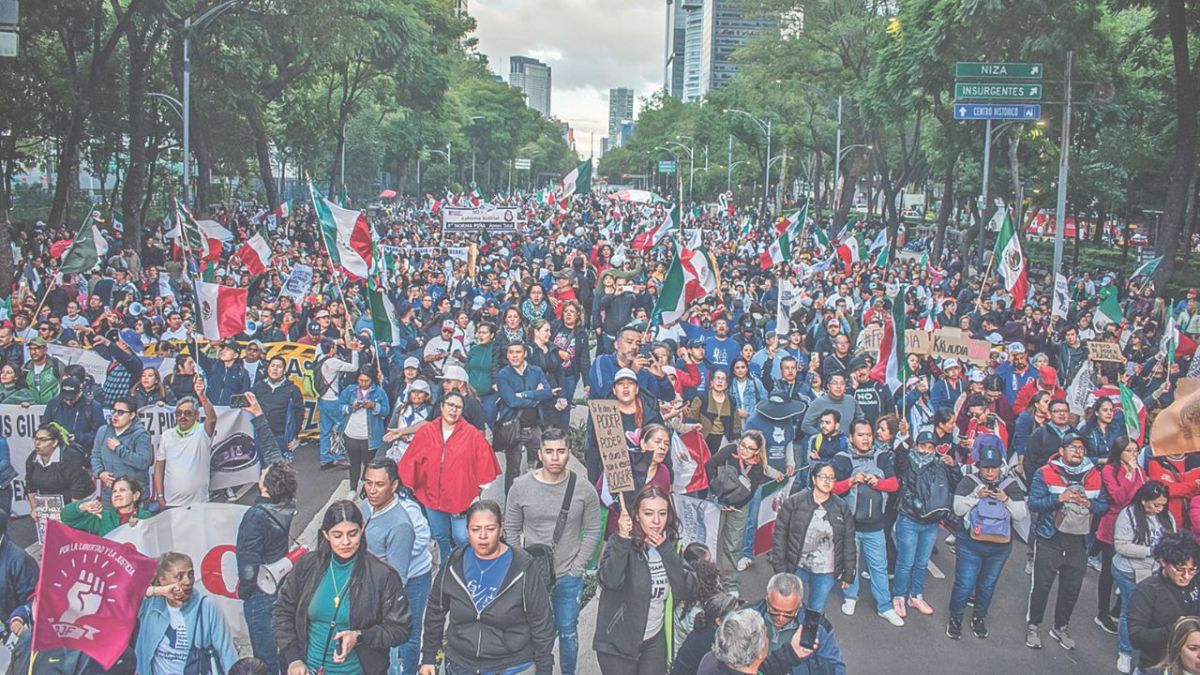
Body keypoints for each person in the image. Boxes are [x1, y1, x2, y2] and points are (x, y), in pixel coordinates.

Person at [505, 428, 603, 675]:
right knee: (536, 631)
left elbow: (593, 530)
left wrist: (577, 567)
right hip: (533, 574)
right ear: (540, 453)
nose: (555, 457)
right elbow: (511, 529)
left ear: (569, 453)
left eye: (561, 451)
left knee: (568, 630)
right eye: (549, 452)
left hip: (568, 575)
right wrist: (521, 564)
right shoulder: (520, 487)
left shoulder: (584, 489)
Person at [273, 501, 412, 675]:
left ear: (362, 529)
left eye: (352, 534)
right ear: (326, 534)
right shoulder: (308, 565)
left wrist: (360, 636)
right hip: (308, 668)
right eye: (337, 535)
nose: (345, 542)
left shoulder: (382, 575)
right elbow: (283, 610)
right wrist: (293, 659)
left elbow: (400, 629)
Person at [419, 500, 556, 675]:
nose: (482, 536)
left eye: (490, 529)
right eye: (476, 529)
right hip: (460, 663)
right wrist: (429, 657)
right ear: (467, 530)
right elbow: (435, 610)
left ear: (501, 528)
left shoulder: (523, 567)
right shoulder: (454, 563)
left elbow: (541, 621)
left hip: (511, 665)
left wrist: (544, 669)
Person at [594, 485, 697, 674]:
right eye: (649, 513)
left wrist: (667, 551)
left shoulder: (672, 545)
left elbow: (685, 590)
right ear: (636, 515)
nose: (656, 521)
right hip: (618, 644)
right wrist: (623, 540)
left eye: (662, 513)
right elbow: (609, 580)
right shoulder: (622, 543)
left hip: (653, 640)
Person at [1025, 432, 1109, 651]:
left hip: (1079, 542)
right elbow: (1034, 503)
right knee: (1041, 587)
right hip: (1049, 538)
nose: (1078, 451)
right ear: (1061, 451)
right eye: (1073, 447)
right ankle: (1033, 626)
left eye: (1081, 448)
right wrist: (1059, 499)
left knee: (1071, 590)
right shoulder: (1044, 472)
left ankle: (1060, 627)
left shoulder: (1094, 475)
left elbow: (1104, 506)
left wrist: (1088, 504)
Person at [398, 391, 500, 565]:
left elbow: (485, 461)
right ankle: (447, 564)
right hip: (432, 496)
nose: (453, 410)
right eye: (450, 405)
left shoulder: (471, 434)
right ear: (442, 407)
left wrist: (476, 492)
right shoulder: (426, 432)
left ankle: (465, 563)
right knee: (439, 535)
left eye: (458, 407)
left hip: (460, 499)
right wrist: (411, 484)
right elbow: (411, 460)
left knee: (461, 536)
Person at [946, 442, 1027, 640]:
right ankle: (955, 618)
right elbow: (957, 509)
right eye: (986, 467)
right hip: (970, 542)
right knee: (964, 583)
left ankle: (979, 617)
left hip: (999, 546)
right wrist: (976, 496)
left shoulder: (1010, 485)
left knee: (988, 584)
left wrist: (1005, 499)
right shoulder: (969, 481)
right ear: (979, 466)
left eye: (994, 467)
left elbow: (1020, 515)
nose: (990, 472)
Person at [358, 458, 431, 675]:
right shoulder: (365, 507)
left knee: (406, 635)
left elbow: (397, 579)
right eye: (368, 483)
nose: (372, 490)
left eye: (379, 484)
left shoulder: (401, 523)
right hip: (375, 584)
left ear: (394, 486)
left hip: (411, 580)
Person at [830, 419, 903, 625]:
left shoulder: (881, 458)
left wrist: (877, 482)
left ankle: (885, 607)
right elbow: (831, 487)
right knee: (849, 564)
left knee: (879, 567)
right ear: (851, 437)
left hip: (876, 525)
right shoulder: (841, 459)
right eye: (861, 435)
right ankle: (850, 597)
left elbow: (894, 484)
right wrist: (851, 481)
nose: (865, 438)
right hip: (849, 525)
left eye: (869, 434)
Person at [236, 461, 298, 675]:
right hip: (281, 588)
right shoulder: (287, 506)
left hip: (260, 593)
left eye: (265, 472)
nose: (261, 471)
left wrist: (245, 592)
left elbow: (248, 564)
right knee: (284, 650)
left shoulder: (255, 516)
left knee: (265, 658)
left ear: (268, 485)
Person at [769, 462, 856, 612]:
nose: (828, 481)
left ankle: (809, 634)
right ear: (814, 479)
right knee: (791, 606)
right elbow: (780, 535)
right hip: (797, 566)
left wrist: (849, 573)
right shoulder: (795, 502)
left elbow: (848, 542)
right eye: (823, 477)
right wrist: (779, 566)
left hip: (826, 571)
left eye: (832, 478)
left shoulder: (841, 507)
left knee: (816, 609)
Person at [135, 552, 238, 673]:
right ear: (162, 580)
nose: (188, 581)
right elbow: (124, 595)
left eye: (191, 575)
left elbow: (227, 653)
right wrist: (157, 591)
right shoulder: (150, 606)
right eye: (179, 576)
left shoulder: (206, 607)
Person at [892, 430, 958, 618]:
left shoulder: (940, 464)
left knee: (921, 562)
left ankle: (916, 596)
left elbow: (955, 483)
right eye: (923, 446)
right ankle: (899, 596)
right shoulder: (907, 461)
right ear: (916, 445)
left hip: (931, 521)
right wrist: (903, 435)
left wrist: (953, 467)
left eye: (931, 447)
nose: (927, 451)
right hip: (909, 518)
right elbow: (898, 459)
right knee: (905, 562)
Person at [1112, 481, 1175, 672]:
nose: (1158, 509)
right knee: (1129, 612)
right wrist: (1152, 550)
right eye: (1155, 504)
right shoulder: (1128, 515)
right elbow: (1121, 546)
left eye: (1162, 505)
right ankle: (1125, 652)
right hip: (1129, 571)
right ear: (1143, 500)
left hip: (1155, 573)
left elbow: (1172, 537)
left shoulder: (1167, 516)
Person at [705, 430, 779, 574]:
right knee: (711, 538)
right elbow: (709, 465)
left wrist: (733, 505)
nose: (744, 451)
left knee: (732, 544)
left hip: (738, 505)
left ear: (757, 451)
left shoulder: (758, 467)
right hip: (717, 498)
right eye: (743, 445)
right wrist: (715, 494)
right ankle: (707, 575)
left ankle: (729, 581)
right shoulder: (730, 450)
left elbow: (750, 493)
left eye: (750, 448)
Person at [1096, 435, 1147, 637]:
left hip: (1135, 526)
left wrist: (1137, 475)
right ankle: (1102, 612)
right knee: (1109, 571)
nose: (1133, 455)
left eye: (1135, 451)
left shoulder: (1140, 472)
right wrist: (1128, 476)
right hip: (1114, 525)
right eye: (1129, 450)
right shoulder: (1110, 470)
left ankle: (1118, 608)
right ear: (1119, 452)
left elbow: (1144, 495)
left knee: (1130, 569)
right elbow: (1119, 497)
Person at [746, 573, 847, 675]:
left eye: (788, 613)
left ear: (800, 605)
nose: (780, 618)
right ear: (767, 599)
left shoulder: (819, 628)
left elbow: (837, 669)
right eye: (774, 611)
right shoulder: (745, 619)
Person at [1129, 534, 1200, 673]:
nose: (1186, 576)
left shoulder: (1196, 580)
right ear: (1163, 561)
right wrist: (1175, 630)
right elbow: (1136, 637)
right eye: (1179, 569)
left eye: (1192, 570)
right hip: (1156, 666)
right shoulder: (1147, 590)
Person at [495, 341, 553, 493]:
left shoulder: (536, 371)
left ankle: (536, 496)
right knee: (513, 470)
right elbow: (512, 401)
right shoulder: (503, 375)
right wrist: (536, 398)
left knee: (543, 460)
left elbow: (548, 392)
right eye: (511, 352)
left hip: (534, 426)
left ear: (525, 353)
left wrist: (527, 394)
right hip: (514, 427)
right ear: (507, 355)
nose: (514, 355)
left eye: (518, 352)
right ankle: (510, 507)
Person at [338, 365, 390, 497]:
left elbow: (386, 410)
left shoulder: (379, 392)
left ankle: (365, 488)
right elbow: (339, 406)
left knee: (368, 465)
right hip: (351, 433)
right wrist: (351, 407)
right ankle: (352, 489)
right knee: (354, 463)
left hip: (370, 436)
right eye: (360, 380)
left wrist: (374, 406)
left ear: (372, 380)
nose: (363, 383)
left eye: (366, 381)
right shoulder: (350, 390)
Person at [92, 395, 154, 504]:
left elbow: (144, 462)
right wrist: (100, 473)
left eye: (121, 412)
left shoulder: (141, 435)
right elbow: (95, 455)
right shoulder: (103, 431)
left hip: (135, 497)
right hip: (110, 496)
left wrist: (118, 448)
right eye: (114, 411)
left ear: (132, 415)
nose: (115, 415)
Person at [24, 423, 93, 513]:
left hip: (78, 500)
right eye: (36, 439)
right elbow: (30, 486)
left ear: (55, 442)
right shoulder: (32, 458)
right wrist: (34, 509)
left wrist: (69, 514)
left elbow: (78, 491)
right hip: (50, 502)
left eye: (43, 440)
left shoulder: (71, 458)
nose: (37, 443)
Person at [315, 338, 361, 469]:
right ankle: (339, 457)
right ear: (332, 349)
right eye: (334, 346)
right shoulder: (332, 362)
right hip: (333, 400)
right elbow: (354, 367)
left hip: (322, 399)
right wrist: (354, 351)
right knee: (341, 427)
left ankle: (325, 458)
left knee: (325, 430)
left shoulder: (319, 359)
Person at [60, 475, 151, 535]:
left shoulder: (145, 517)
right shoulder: (103, 516)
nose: (117, 494)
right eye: (114, 491)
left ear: (135, 496)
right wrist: (83, 506)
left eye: (122, 490)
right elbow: (66, 517)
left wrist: (142, 524)